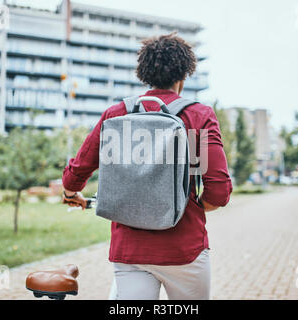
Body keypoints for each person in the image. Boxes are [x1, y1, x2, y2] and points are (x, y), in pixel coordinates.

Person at [62, 33, 232, 300]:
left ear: (145, 74)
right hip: (185, 250)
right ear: (183, 76)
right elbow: (219, 192)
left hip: (131, 254)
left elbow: (75, 174)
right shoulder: (198, 117)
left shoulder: (116, 115)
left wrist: (72, 195)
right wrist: (192, 207)